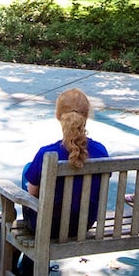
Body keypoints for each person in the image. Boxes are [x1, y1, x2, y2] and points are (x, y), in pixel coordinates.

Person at [20, 89, 111, 241]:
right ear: (86, 116)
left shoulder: (46, 154)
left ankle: (28, 265)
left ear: (58, 116)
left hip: (48, 227)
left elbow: (32, 193)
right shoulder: (101, 151)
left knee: (28, 170)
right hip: (84, 224)